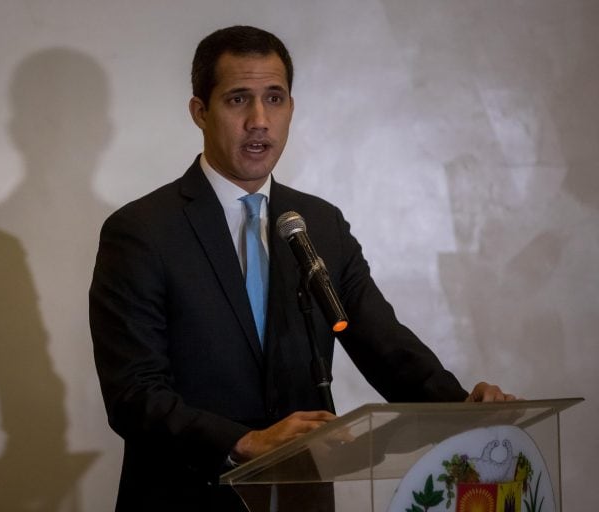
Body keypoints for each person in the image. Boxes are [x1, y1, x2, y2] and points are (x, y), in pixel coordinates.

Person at [89, 25, 515, 511]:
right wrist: (246, 441)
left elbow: (385, 345)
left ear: (291, 107)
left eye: (275, 98)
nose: (259, 120)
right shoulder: (142, 230)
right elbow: (133, 393)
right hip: (186, 497)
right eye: (237, 100)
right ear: (199, 112)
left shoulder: (319, 225)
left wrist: (462, 410)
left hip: (299, 498)